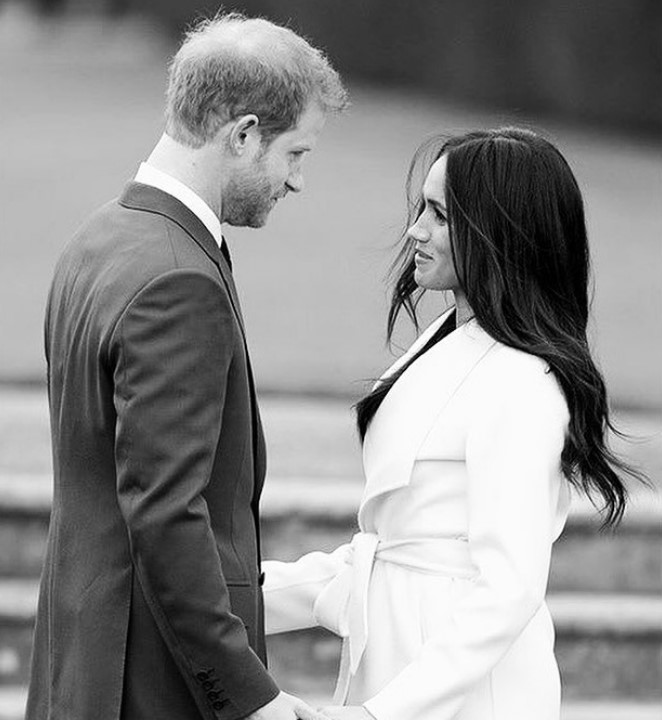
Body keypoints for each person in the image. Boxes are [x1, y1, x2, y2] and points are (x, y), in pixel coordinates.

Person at [26, 13, 347, 720]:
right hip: (144, 684)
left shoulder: (98, 236)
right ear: (242, 135)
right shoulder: (178, 279)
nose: (297, 181)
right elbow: (168, 514)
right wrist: (249, 698)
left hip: (82, 661)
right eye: (294, 153)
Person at [262, 127, 644, 720]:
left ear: (503, 234)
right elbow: (392, 554)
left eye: (440, 215)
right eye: (423, 208)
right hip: (405, 672)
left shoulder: (520, 381)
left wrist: (377, 716)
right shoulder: (450, 342)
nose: (415, 230)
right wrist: (238, 597)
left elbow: (507, 589)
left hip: (469, 697)